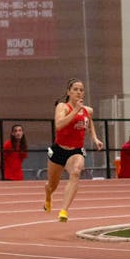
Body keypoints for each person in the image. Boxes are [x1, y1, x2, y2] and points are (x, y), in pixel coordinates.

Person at [44, 78, 103, 222]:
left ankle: (64, 210)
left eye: (81, 90)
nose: (78, 92)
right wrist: (75, 110)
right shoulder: (62, 107)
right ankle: (48, 196)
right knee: (52, 186)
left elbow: (90, 123)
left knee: (76, 172)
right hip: (59, 150)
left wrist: (95, 138)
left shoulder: (87, 110)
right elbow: (59, 125)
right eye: (75, 89)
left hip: (76, 151)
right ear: (68, 92)